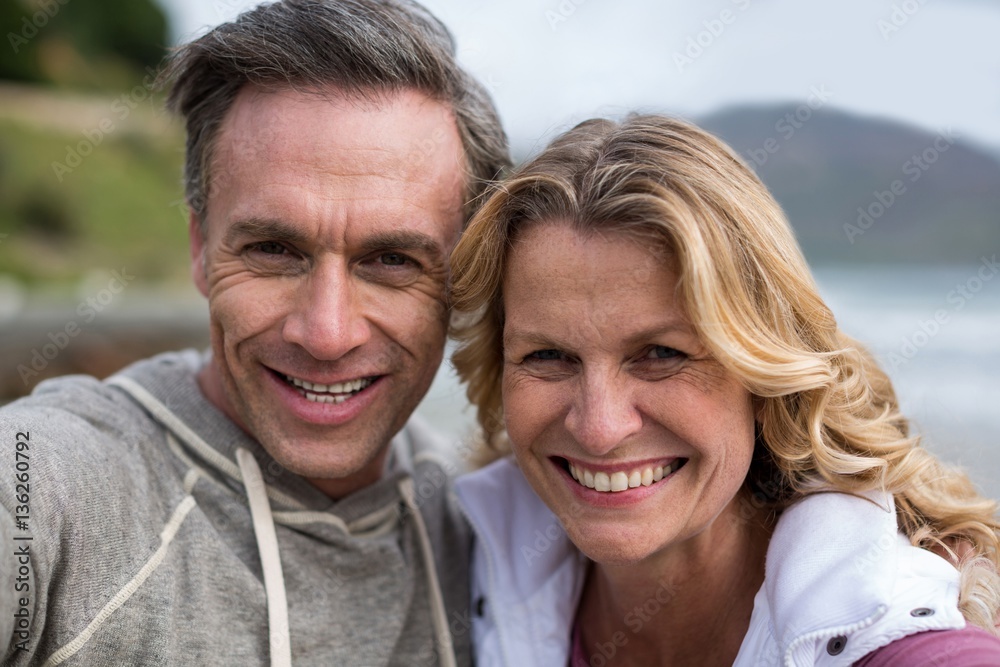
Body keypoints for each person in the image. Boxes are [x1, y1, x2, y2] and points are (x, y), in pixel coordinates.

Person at [0, 1, 509, 665]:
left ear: (464, 278)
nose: (327, 333)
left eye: (391, 261)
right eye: (274, 248)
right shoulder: (50, 479)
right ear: (199, 247)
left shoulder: (491, 529)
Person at [449, 115, 1000, 665]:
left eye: (663, 354)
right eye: (548, 356)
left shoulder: (899, 638)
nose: (598, 427)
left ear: (764, 377)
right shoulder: (462, 559)